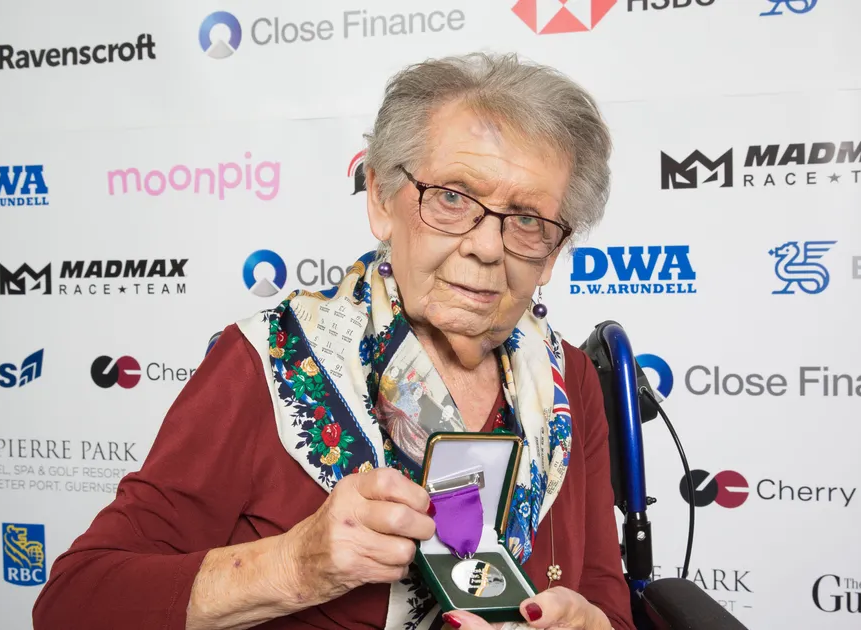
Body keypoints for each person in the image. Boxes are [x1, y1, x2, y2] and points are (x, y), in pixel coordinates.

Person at [32, 51, 631, 630]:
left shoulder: (566, 378)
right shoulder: (267, 363)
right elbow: (74, 604)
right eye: (452, 197)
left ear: (553, 253)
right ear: (379, 200)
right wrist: (293, 565)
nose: (487, 245)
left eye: (528, 219)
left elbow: (608, 598)